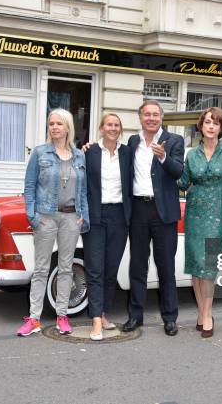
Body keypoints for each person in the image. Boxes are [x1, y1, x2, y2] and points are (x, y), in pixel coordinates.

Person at [17, 108, 90, 337]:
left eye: (59, 123)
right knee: (41, 269)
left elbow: (83, 189)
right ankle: (35, 318)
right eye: (51, 124)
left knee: (66, 267)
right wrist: (33, 216)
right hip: (46, 217)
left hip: (71, 217)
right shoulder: (40, 153)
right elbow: (29, 187)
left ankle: (62, 315)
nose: (54, 127)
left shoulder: (79, 156)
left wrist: (82, 216)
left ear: (68, 127)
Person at [122, 100, 184, 336]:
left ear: (161, 117)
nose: (151, 118)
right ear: (140, 117)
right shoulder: (133, 141)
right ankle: (135, 316)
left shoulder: (174, 141)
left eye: (155, 115)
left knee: (166, 266)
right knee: (137, 266)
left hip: (163, 212)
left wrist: (163, 157)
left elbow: (179, 171)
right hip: (138, 209)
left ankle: (170, 318)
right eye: (147, 114)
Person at [177, 107, 222, 338]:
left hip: (219, 216)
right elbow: (182, 182)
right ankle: (203, 313)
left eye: (216, 123)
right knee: (196, 267)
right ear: (201, 125)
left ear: (221, 128)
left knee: (209, 267)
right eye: (208, 122)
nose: (211, 126)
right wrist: (162, 162)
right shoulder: (192, 155)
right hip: (195, 214)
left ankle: (207, 314)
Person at [83, 113, 132, 341]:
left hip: (120, 216)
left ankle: (103, 313)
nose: (113, 128)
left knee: (111, 268)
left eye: (116, 125)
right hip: (96, 215)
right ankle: (94, 320)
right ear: (101, 128)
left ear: (120, 129)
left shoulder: (127, 153)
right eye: (109, 124)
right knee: (95, 268)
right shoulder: (88, 152)